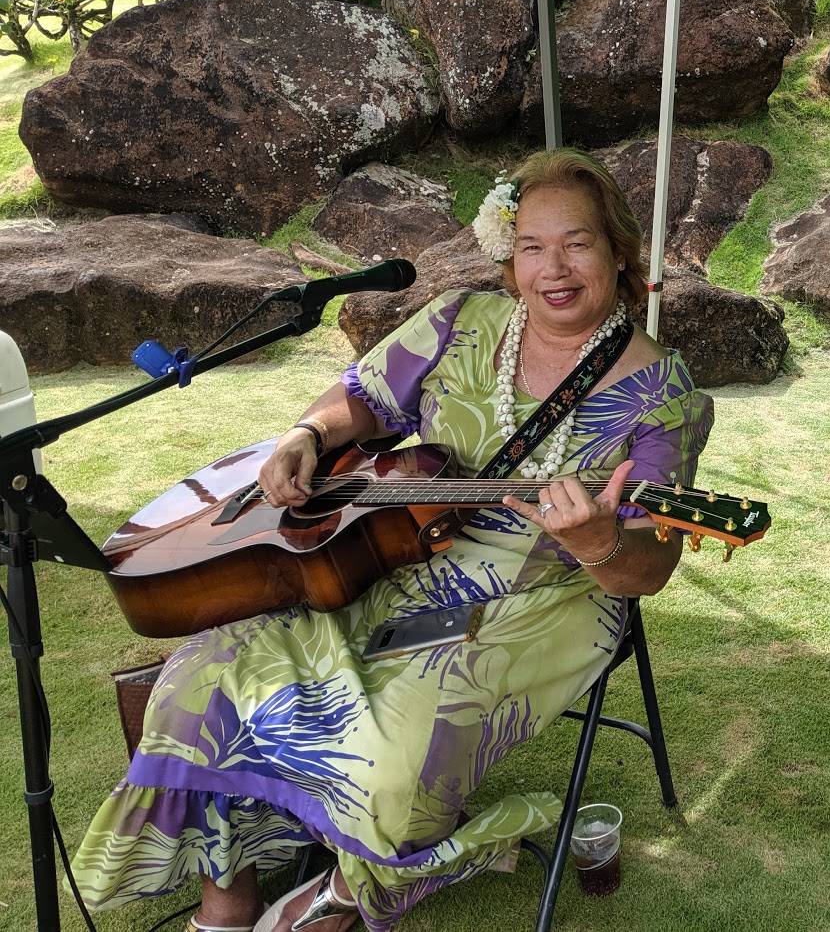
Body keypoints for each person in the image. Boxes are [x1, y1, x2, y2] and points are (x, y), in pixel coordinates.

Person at [72, 148, 714, 932]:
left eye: (577, 243)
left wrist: (599, 540)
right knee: (200, 673)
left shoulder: (667, 395)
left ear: (617, 249)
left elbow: (646, 570)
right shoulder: (458, 321)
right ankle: (226, 894)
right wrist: (306, 434)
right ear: (509, 254)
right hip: (395, 553)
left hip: (545, 598)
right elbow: (358, 399)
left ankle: (342, 895)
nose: (555, 267)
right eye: (532, 246)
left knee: (398, 745)